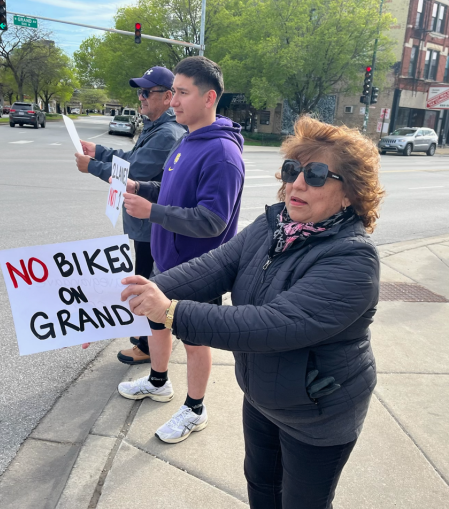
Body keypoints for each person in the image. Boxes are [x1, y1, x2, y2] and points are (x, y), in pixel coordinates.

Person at [121, 115, 383, 508]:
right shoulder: (271, 224)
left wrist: (171, 311)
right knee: (261, 486)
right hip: (263, 393)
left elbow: (274, 325)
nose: (296, 183)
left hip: (319, 412)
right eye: (293, 170)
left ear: (350, 193)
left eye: (315, 175)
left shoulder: (353, 258)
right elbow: (214, 267)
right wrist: (134, 294)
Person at [115, 56, 245, 444]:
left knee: (194, 340)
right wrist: (145, 190)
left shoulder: (222, 154)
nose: (173, 101)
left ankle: (194, 409)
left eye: (182, 93)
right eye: (172, 92)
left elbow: (212, 220)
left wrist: (152, 211)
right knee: (155, 322)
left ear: (209, 97)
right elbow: (175, 194)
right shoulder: (188, 139)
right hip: (167, 264)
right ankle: (158, 382)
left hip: (200, 269)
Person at [74, 66, 186, 365]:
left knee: (145, 285)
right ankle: (146, 343)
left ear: (168, 96)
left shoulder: (167, 133)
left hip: (151, 225)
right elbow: (131, 159)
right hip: (143, 223)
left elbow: (133, 173)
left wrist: (92, 166)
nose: (141, 97)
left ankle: (147, 348)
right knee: (143, 282)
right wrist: (98, 151)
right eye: (140, 92)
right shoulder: (155, 127)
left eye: (147, 92)